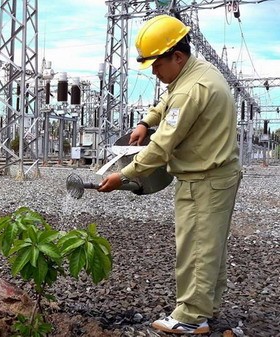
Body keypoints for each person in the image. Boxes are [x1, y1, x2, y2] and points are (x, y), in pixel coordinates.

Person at [97, 14, 242, 335]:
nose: (154, 71)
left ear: (177, 56)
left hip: (205, 180)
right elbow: (166, 102)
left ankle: (191, 318)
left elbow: (161, 148)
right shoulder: (196, 73)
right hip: (218, 175)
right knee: (210, 245)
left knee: (196, 247)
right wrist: (145, 122)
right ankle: (207, 307)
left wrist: (124, 176)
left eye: (157, 64)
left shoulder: (189, 92)